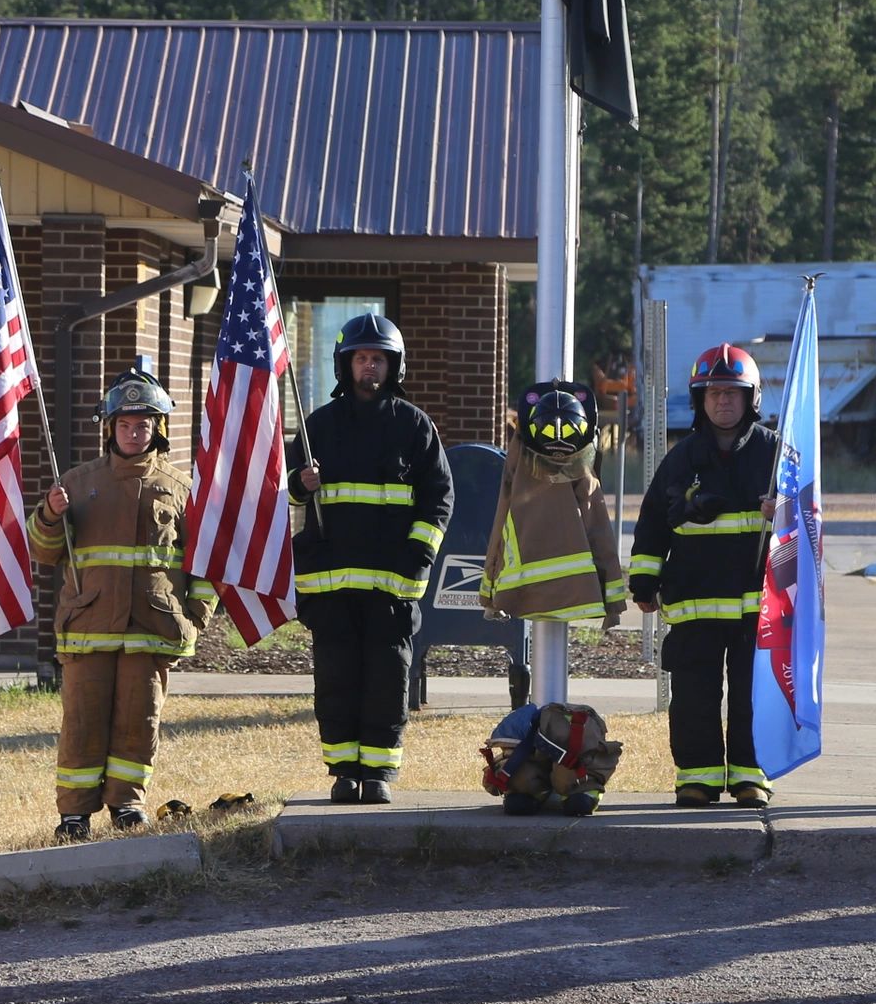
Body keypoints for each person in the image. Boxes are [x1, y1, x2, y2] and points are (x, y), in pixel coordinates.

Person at [29, 357, 211, 843]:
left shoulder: (180, 489)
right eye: (125, 424)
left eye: (144, 424)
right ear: (109, 428)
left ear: (158, 428)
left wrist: (195, 617)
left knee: (139, 721)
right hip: (89, 629)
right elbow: (44, 552)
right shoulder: (75, 483)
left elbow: (204, 563)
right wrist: (49, 513)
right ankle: (74, 814)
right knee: (83, 723)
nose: (134, 432)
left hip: (151, 629)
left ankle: (128, 804)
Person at [291, 313, 454, 802]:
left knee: (387, 678)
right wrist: (302, 484)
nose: (369, 367)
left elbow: (439, 498)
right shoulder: (317, 425)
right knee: (337, 678)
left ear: (393, 366)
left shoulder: (414, 426)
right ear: (346, 365)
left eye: (377, 359)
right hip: (330, 587)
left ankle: (379, 773)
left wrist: (417, 559)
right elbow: (286, 497)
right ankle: (343, 772)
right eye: (361, 358)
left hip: (392, 586)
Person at [630, 344, 780, 807]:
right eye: (713, 393)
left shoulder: (776, 453)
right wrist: (644, 581)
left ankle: (750, 778)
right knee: (694, 696)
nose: (723, 402)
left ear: (752, 398)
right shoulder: (682, 458)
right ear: (700, 400)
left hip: (757, 607)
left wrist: (785, 513)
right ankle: (697, 778)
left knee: (751, 696)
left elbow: (809, 521)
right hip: (693, 601)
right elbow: (653, 519)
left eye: (733, 393)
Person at [481, 382, 627, 626]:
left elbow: (499, 529)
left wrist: (490, 595)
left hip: (521, 595)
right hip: (576, 594)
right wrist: (613, 606)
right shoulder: (583, 477)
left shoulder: (520, 478)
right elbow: (601, 537)